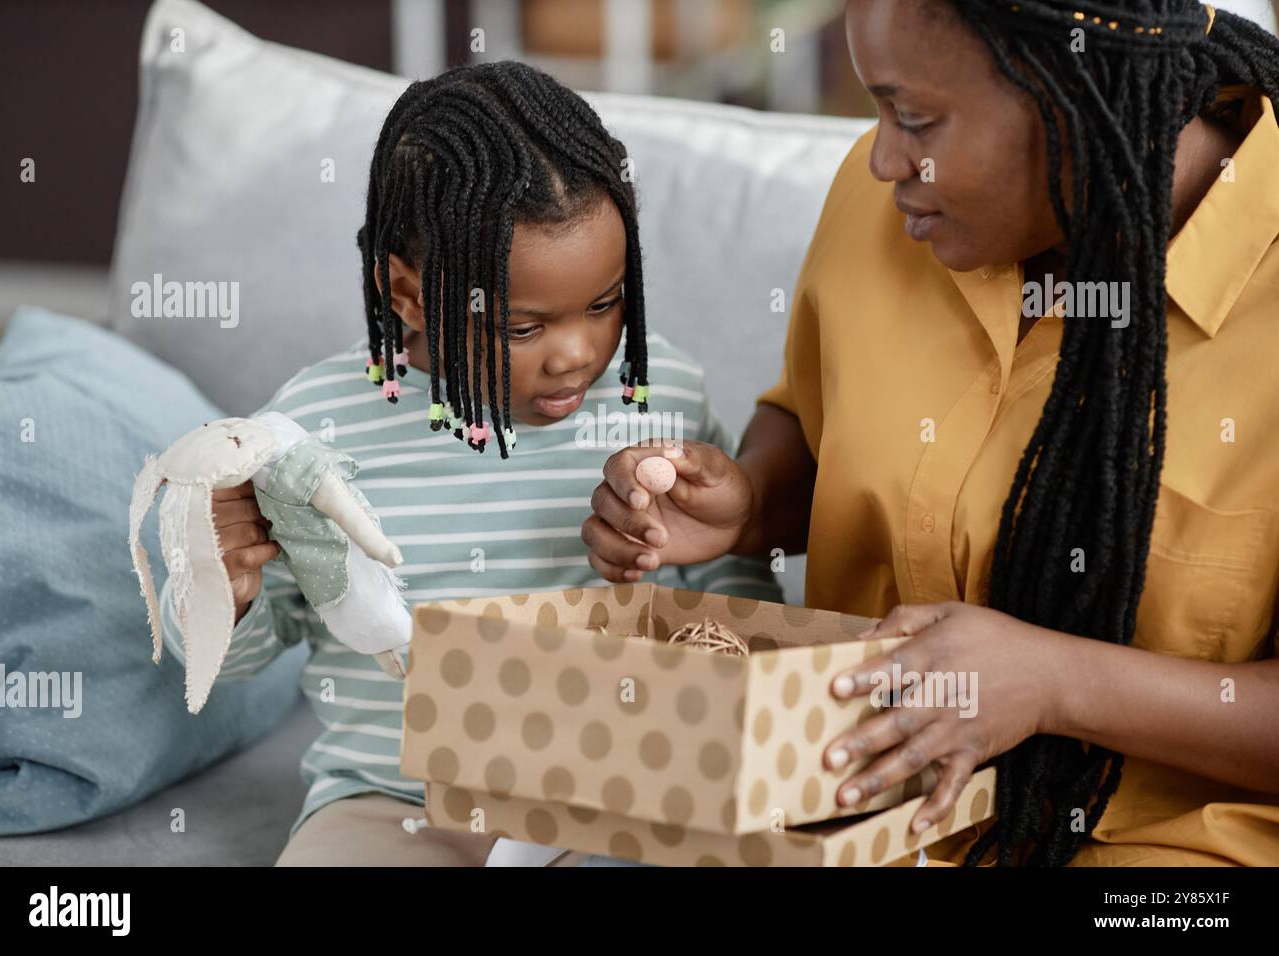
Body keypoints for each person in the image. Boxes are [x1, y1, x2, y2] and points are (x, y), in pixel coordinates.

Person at [585, 0, 1279, 866]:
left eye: (914, 118)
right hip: (853, 813)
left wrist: (1054, 683)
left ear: (1074, 93)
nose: (879, 159)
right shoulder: (893, 204)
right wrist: (750, 500)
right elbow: (812, 414)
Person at [156, 61, 780, 866]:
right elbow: (235, 660)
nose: (578, 355)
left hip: (613, 797)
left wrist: (738, 672)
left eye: (606, 302)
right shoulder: (312, 432)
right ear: (407, 294)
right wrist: (221, 583)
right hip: (391, 802)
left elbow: (733, 590)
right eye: (524, 328)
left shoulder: (656, 397)